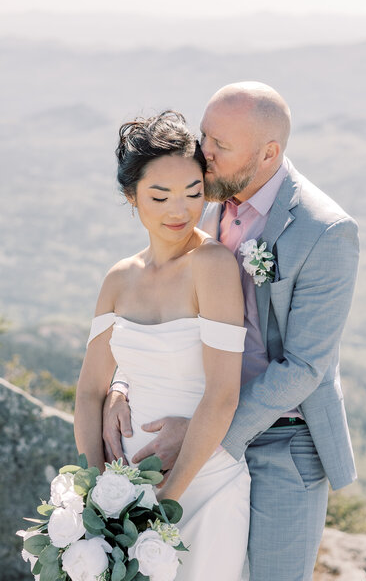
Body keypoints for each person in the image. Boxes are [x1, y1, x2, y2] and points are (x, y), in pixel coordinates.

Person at [103, 83, 360, 581]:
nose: (204, 153)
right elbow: (161, 312)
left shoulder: (325, 231)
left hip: (283, 443)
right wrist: (123, 382)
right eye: (204, 135)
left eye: (221, 144)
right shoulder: (205, 200)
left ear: (269, 153)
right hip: (198, 427)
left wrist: (211, 436)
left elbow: (306, 365)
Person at [74, 111, 251, 581]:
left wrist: (165, 502)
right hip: (125, 491)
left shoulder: (210, 265)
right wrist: (100, 496)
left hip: (202, 482)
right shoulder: (119, 277)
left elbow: (222, 394)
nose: (180, 210)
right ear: (132, 197)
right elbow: (90, 390)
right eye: (160, 196)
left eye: (194, 192)